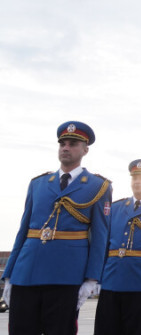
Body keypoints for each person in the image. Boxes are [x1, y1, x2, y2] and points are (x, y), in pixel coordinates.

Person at [2, 121, 111, 335]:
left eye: (72, 144)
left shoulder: (98, 186)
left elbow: (100, 235)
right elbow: (23, 231)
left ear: (85, 150)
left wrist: (91, 278)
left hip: (66, 275)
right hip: (27, 272)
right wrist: (9, 274)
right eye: (62, 144)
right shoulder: (38, 183)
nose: (66, 148)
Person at [94, 159, 141, 335]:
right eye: (134, 178)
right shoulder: (116, 207)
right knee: (105, 329)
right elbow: (105, 245)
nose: (137, 181)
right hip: (111, 280)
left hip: (139, 282)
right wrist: (98, 276)